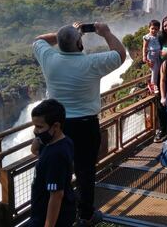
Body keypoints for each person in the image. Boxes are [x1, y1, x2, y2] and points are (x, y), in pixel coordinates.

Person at [33, 22, 125, 226]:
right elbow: (120, 54)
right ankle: (85, 215)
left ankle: (58, 216)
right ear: (79, 43)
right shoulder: (92, 63)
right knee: (85, 172)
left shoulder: (49, 59)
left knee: (59, 170)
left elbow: (38, 40)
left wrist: (62, 34)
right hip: (86, 126)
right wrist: (105, 32)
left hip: (58, 127)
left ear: (59, 42)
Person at [29, 99, 75, 227]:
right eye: (34, 126)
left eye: (39, 126)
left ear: (56, 126)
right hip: (45, 213)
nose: (35, 131)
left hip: (51, 218)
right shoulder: (60, 141)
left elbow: (56, 195)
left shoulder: (56, 156)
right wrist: (39, 136)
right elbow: (34, 150)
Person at [142, 20, 162, 94]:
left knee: (160, 69)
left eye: (156, 29)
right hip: (152, 56)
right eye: (152, 28)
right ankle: (153, 86)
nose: (154, 30)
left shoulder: (158, 36)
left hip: (158, 56)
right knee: (154, 71)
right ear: (149, 28)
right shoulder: (147, 37)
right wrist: (144, 56)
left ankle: (156, 84)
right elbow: (144, 47)